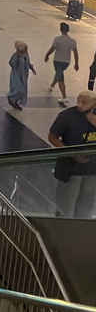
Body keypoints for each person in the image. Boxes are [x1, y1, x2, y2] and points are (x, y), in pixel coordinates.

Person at [47, 90, 96, 219]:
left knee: (86, 207)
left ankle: (80, 234)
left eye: (84, 103)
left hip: (92, 171)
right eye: (78, 101)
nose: (80, 105)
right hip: (71, 170)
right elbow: (53, 137)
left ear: (94, 104)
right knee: (65, 207)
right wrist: (70, 152)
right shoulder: (66, 116)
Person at [45, 22, 80, 106]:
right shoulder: (72, 41)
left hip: (57, 61)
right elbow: (75, 53)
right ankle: (52, 85)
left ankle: (64, 97)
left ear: (60, 30)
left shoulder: (57, 39)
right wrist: (76, 63)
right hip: (66, 62)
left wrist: (47, 55)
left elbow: (52, 49)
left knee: (61, 78)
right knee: (59, 73)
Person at [7, 40, 36, 110]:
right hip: (16, 76)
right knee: (18, 89)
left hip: (24, 76)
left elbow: (28, 62)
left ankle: (15, 102)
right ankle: (11, 98)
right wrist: (17, 58)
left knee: (23, 91)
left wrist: (32, 68)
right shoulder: (15, 55)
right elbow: (12, 64)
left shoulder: (26, 55)